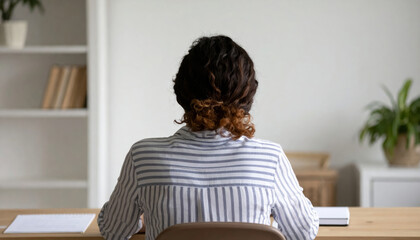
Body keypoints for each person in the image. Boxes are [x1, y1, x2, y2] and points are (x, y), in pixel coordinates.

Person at [98, 35, 319, 240]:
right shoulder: (270, 158)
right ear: (248, 94)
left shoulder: (143, 157)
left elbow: (113, 230)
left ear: (181, 91)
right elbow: (303, 232)